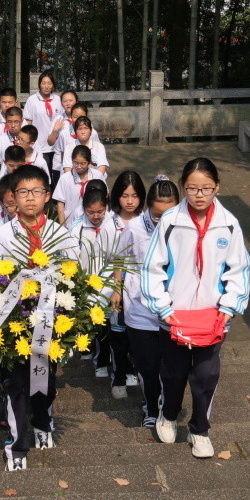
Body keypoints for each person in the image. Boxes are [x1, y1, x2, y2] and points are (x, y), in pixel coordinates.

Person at [142, 158, 250, 459]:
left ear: (217, 187)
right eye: (192, 188)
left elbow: (238, 268)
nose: (199, 195)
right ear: (183, 188)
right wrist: (163, 308)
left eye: (206, 188)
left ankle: (200, 429)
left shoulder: (228, 224)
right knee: (174, 373)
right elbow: (152, 267)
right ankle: (169, 414)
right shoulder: (170, 221)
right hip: (174, 316)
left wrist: (228, 308)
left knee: (205, 375)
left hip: (212, 317)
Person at [0, 165, 78, 469]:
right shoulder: (1, 234)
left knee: (47, 382)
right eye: (23, 192)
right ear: (12, 196)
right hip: (14, 324)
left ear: (47, 196)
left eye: (36, 191)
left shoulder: (59, 235)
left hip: (51, 323)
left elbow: (73, 273)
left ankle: (42, 419)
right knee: (17, 384)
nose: (29, 198)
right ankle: (17, 446)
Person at [116, 176, 180, 427]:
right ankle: (151, 407)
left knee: (172, 367)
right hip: (140, 309)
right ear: (148, 206)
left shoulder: (183, 227)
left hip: (173, 310)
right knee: (148, 365)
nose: (163, 220)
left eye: (169, 213)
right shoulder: (134, 228)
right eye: (157, 214)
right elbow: (120, 258)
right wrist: (117, 290)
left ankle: (168, 405)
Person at [67, 181, 125, 384]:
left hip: (111, 282)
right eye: (91, 212)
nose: (96, 216)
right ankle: (99, 360)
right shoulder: (76, 229)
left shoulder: (114, 224)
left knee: (113, 326)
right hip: (88, 284)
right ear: (84, 210)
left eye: (100, 211)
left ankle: (113, 362)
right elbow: (71, 259)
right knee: (98, 326)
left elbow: (118, 256)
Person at [103, 171, 147, 398]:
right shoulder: (109, 223)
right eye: (125, 195)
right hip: (116, 286)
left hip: (141, 288)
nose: (130, 201)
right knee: (118, 335)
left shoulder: (147, 221)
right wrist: (115, 287)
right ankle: (118, 375)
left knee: (138, 337)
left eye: (135, 195)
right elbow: (106, 257)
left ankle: (135, 371)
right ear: (116, 196)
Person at [48, 101, 100, 188]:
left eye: (82, 116)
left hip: (89, 170)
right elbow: (61, 153)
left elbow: (96, 151)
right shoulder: (64, 134)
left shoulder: (93, 133)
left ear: (87, 116)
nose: (78, 119)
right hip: (69, 170)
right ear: (71, 117)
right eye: (75, 117)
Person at [52, 145, 107, 226]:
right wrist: (62, 225)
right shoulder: (65, 178)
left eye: (83, 163)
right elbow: (60, 203)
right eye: (75, 163)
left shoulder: (97, 176)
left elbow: (105, 198)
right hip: (71, 223)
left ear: (89, 162)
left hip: (95, 222)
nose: (79, 166)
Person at [22, 72, 62, 170]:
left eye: (49, 83)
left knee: (56, 174)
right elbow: (28, 123)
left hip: (56, 144)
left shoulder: (58, 100)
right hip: (39, 145)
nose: (46, 86)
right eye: (43, 83)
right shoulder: (32, 100)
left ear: (53, 85)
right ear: (39, 84)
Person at [0, 107, 24, 176]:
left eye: (16, 122)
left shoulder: (29, 140)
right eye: (9, 122)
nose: (13, 125)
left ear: (22, 121)